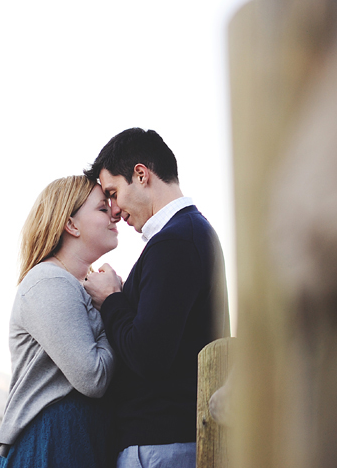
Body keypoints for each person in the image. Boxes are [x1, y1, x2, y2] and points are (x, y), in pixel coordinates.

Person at [82, 128, 230, 468]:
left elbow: (148, 355)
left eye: (113, 193)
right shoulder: (190, 234)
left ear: (141, 174)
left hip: (159, 448)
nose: (115, 211)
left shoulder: (174, 242)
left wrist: (112, 299)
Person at [0, 175, 119, 468]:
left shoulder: (78, 285)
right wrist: (113, 305)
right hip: (51, 442)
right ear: (71, 224)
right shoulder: (49, 280)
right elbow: (94, 378)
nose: (115, 212)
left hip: (80, 440)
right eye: (102, 208)